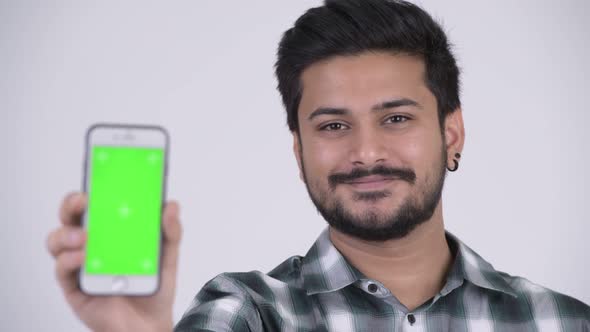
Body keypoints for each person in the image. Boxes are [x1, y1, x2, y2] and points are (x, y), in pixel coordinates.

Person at [47, 0, 590, 331]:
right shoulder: (245, 313)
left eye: (397, 119)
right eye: (333, 125)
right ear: (298, 150)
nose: (367, 152)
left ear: (452, 132)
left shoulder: (562, 321)